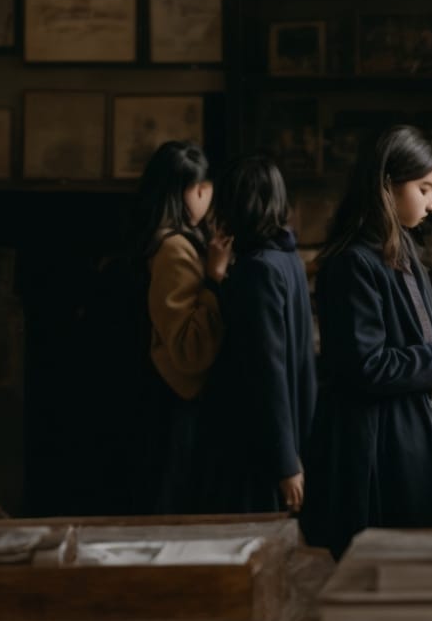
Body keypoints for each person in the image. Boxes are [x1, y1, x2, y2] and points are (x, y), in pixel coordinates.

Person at [301, 125, 432, 555]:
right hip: (376, 444)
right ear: (387, 185)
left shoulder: (402, 251)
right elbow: (367, 366)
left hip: (412, 424)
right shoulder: (352, 262)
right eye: (424, 188)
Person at [200, 155, 317, 514]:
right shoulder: (286, 260)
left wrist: (285, 462)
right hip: (288, 438)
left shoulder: (258, 270)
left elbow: (267, 371)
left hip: (260, 451)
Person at [134, 140, 228, 512]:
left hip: (165, 401)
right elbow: (189, 350)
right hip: (176, 402)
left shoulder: (163, 240)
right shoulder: (174, 248)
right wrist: (214, 282)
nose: (208, 194)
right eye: (199, 187)